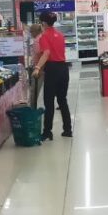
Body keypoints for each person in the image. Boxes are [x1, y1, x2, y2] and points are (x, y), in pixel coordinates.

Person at [34, 11, 72, 140]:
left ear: (43, 23)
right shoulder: (60, 35)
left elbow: (47, 53)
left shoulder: (44, 36)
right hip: (63, 68)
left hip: (53, 69)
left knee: (49, 102)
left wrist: (37, 68)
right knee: (62, 100)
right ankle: (68, 129)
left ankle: (47, 132)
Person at [28, 23, 44, 109]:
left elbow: (40, 54)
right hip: (43, 68)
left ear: (35, 31)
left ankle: (32, 110)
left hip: (39, 69)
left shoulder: (37, 40)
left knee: (34, 91)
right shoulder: (42, 37)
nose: (31, 34)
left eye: (31, 32)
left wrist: (38, 69)